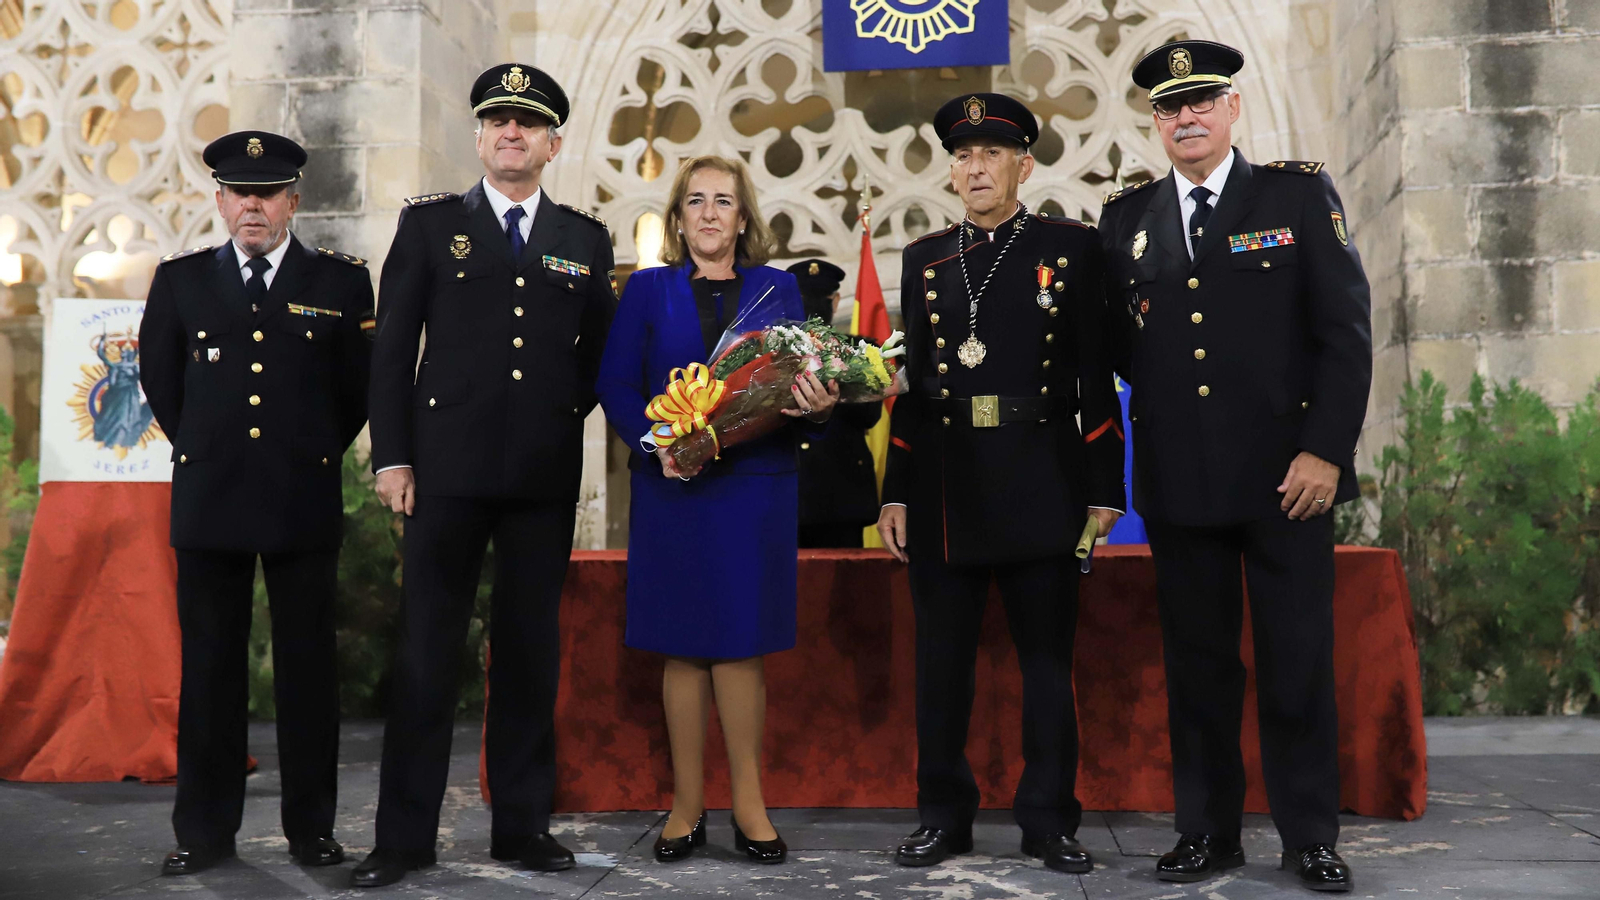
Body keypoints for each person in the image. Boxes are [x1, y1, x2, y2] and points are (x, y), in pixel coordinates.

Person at [1096, 40, 1372, 893]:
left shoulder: (1291, 194)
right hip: (1182, 485)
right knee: (1200, 672)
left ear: (1232, 110)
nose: (1187, 117)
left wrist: (1324, 449)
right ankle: (1208, 832)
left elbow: (1345, 334)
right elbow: (1123, 350)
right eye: (1170, 107)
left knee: (1296, 665)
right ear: (1154, 121)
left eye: (1203, 101)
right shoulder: (1125, 220)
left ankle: (1310, 837)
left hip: (1290, 481)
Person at [356, 64, 617, 887]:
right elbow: (393, 352)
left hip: (539, 478)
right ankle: (402, 840)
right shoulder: (432, 227)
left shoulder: (584, 239)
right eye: (498, 120)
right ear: (479, 137)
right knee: (428, 657)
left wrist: (547, 419)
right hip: (444, 478)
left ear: (553, 143)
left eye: (528, 123)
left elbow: (597, 362)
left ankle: (521, 828)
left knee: (531, 657)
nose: (512, 133)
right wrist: (393, 456)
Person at [875, 94, 1125, 875]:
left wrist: (1103, 487)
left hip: (1043, 474)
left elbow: (1094, 378)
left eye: (991, 154)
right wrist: (895, 490)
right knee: (940, 668)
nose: (975, 167)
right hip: (948, 485)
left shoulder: (1072, 248)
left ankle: (1049, 820)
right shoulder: (924, 259)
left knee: (1047, 666)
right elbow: (912, 389)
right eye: (963, 155)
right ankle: (943, 818)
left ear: (1023, 164)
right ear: (949, 170)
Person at [138, 130, 373, 875]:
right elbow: (162, 385)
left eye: (267, 194)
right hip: (211, 498)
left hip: (301, 495)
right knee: (209, 673)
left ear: (293, 202)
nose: (252, 207)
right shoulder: (180, 282)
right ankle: (203, 834)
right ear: (219, 200)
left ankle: (312, 831)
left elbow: (354, 395)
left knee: (308, 674)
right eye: (240, 193)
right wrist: (215, 449)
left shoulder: (339, 284)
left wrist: (304, 449)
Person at [596, 156, 836, 866]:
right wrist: (655, 447)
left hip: (754, 490)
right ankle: (686, 806)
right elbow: (614, 381)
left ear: (742, 217)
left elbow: (802, 382)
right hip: (674, 489)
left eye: (723, 201)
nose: (708, 212)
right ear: (677, 218)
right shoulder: (647, 290)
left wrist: (821, 409)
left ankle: (751, 805)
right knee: (682, 643)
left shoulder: (777, 288)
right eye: (695, 200)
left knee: (739, 643)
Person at [785, 258, 882, 548]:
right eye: (805, 300)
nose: (813, 307)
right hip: (795, 490)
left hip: (841, 492)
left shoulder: (861, 350)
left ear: (836, 301)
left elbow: (869, 415)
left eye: (819, 300)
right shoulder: (777, 352)